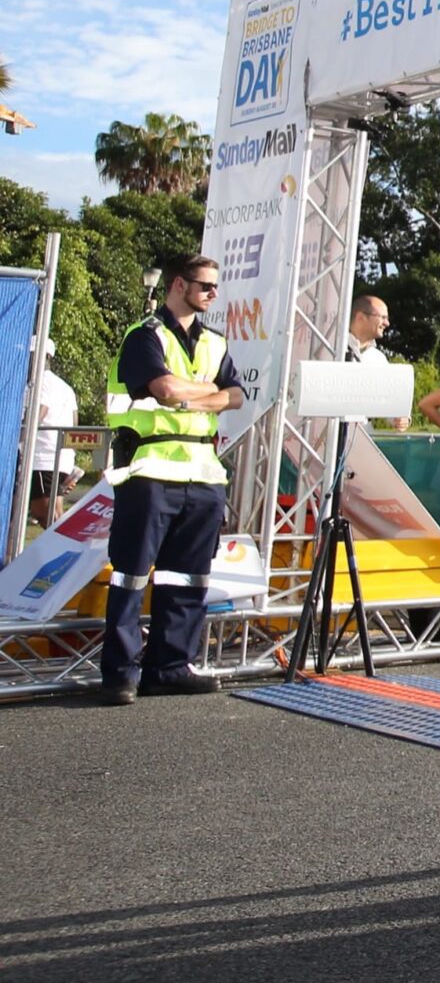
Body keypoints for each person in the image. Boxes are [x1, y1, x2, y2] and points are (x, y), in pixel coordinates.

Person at [96, 255, 244, 701]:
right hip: (150, 470)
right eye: (205, 286)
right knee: (132, 575)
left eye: (216, 286)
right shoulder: (144, 336)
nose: (213, 294)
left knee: (187, 577)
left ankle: (171, 666)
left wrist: (193, 394)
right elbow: (164, 390)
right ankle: (121, 672)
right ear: (178, 285)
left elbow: (236, 395)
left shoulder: (214, 343)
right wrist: (207, 393)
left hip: (203, 474)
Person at [29, 339, 78, 532]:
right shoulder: (64, 387)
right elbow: (75, 423)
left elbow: (37, 415)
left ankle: (69, 553)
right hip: (60, 457)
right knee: (53, 515)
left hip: (42, 458)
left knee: (47, 516)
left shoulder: (40, 383)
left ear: (45, 356)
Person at [345, 294, 411, 431]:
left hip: (362, 435)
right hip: (324, 436)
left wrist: (400, 419)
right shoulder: (332, 348)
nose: (387, 323)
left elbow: (388, 400)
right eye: (382, 317)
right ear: (360, 317)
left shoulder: (378, 358)